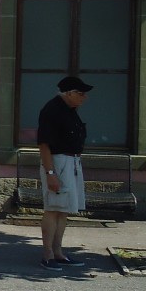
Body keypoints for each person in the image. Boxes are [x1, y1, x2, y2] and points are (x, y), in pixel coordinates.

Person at [36, 75, 93, 272]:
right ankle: (47, 254)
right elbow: (44, 143)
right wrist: (51, 173)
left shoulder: (70, 110)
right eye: (81, 93)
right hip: (58, 161)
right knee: (53, 207)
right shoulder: (52, 110)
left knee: (63, 209)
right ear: (69, 93)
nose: (84, 97)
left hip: (72, 161)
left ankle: (58, 252)